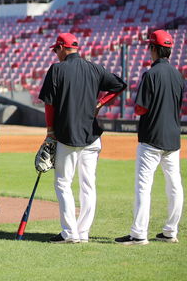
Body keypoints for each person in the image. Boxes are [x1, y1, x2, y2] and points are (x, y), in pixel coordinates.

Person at [38, 33, 126, 243]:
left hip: (67, 135)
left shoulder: (57, 69)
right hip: (92, 136)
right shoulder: (94, 68)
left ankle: (69, 233)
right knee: (88, 185)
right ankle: (83, 232)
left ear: (61, 48)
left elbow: (49, 104)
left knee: (63, 183)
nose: (55, 54)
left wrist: (50, 131)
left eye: (56, 49)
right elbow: (119, 85)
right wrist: (100, 103)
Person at [115, 30, 184, 245]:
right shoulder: (178, 75)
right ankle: (171, 232)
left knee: (144, 187)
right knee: (175, 186)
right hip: (173, 138)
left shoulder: (151, 74)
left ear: (153, 48)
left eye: (150, 46)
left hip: (152, 138)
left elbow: (140, 109)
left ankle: (139, 234)